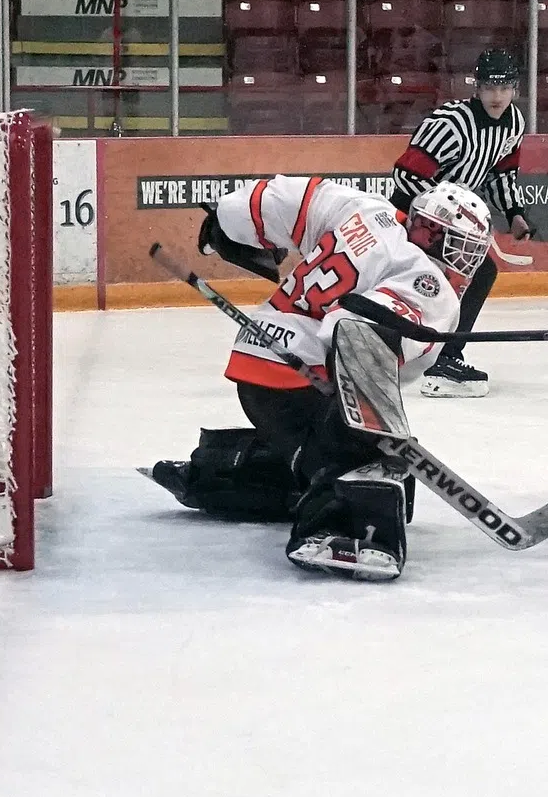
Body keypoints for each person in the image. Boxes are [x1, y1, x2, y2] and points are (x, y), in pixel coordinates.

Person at [145, 177, 495, 579]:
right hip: (298, 379)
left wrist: (229, 218)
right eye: (461, 247)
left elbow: (291, 200)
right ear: (429, 231)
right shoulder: (427, 281)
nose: (465, 263)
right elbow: (354, 330)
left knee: (330, 448)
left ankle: (222, 470)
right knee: (364, 456)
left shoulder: (366, 210)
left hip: (258, 356)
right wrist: (369, 422)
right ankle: (334, 528)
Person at [389, 48, 534, 400]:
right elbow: (405, 175)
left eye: (504, 88)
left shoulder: (513, 123)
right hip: (412, 217)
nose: (497, 96)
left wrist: (513, 211)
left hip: (453, 225)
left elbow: (501, 174)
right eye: (489, 87)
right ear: (477, 87)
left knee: (474, 275)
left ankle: (441, 354)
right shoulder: (451, 123)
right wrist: (444, 212)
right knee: (472, 274)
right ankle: (443, 357)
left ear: (515, 88)